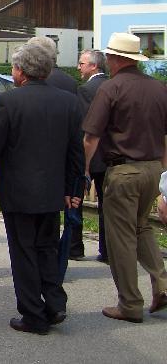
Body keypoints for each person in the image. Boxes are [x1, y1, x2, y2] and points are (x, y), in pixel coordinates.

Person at [0, 41, 84, 334]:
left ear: (21, 71)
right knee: (47, 248)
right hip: (53, 191)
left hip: (19, 191)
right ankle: (55, 303)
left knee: (23, 252)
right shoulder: (68, 102)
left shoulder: (9, 102)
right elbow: (76, 151)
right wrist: (74, 190)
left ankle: (33, 314)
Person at [83, 32, 167, 323]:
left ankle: (130, 304)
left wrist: (83, 170)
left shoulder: (111, 88)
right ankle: (162, 284)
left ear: (114, 58)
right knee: (142, 226)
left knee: (120, 238)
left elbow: (91, 137)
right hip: (153, 168)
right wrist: (163, 171)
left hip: (124, 170)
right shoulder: (158, 88)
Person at [74, 49, 109, 263]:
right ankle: (107, 250)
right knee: (108, 207)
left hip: (90, 154)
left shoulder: (86, 90)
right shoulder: (113, 85)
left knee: (76, 201)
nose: (79, 67)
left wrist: (81, 160)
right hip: (110, 157)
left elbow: (85, 126)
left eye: (82, 63)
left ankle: (75, 247)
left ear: (94, 66)